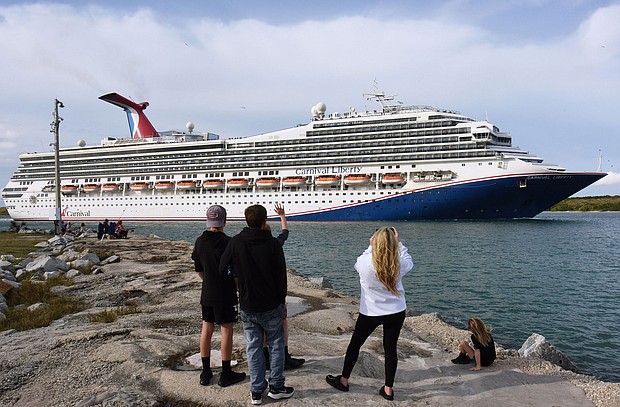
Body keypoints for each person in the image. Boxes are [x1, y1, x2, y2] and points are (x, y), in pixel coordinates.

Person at [326, 226, 413, 401]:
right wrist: (399, 243)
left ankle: (344, 380)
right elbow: (409, 260)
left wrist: (371, 245)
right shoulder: (399, 262)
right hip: (396, 312)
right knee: (390, 349)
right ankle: (388, 390)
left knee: (355, 345)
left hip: (370, 312)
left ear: (374, 242)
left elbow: (360, 261)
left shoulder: (364, 262)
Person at [220, 204, 294, 405]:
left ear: (247, 220)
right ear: (264, 222)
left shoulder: (236, 242)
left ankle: (256, 391)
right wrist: (281, 299)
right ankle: (276, 387)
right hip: (272, 304)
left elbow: (222, 266)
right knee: (276, 345)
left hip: (247, 304)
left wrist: (238, 282)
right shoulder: (273, 244)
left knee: (253, 347)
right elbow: (281, 275)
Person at [192, 205, 246, 387]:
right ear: (224, 221)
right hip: (226, 293)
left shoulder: (200, 241)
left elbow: (198, 268)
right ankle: (225, 373)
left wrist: (209, 281)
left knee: (206, 329)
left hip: (207, 291)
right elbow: (237, 270)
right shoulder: (229, 242)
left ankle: (205, 373)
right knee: (226, 330)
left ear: (208, 220)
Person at [262, 204, 305, 370]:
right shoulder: (275, 244)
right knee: (282, 325)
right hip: (276, 296)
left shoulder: (251, 247)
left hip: (259, 295)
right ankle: (284, 357)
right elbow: (285, 233)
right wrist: (282, 216)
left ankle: (265, 359)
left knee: (263, 329)